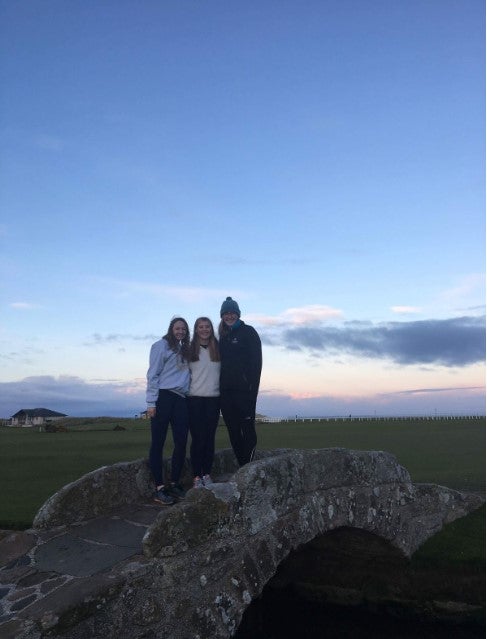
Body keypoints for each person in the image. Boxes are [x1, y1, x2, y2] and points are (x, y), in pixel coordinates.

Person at [146, 316, 191, 505]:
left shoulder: (183, 349)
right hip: (163, 397)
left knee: (181, 441)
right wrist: (151, 403)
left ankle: (174, 482)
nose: (180, 331)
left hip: (181, 399)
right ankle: (159, 488)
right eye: (177, 328)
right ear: (171, 329)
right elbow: (153, 374)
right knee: (158, 442)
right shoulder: (161, 346)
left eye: (183, 329)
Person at [218, 297, 262, 466]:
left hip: (245, 393)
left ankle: (247, 467)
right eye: (226, 313)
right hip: (225, 394)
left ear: (237, 314)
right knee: (233, 431)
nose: (229, 316)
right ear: (222, 316)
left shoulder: (249, 332)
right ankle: (242, 466)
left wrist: (253, 393)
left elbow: (257, 365)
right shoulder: (222, 337)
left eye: (232, 313)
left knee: (247, 429)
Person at [188, 317, 221, 488]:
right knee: (198, 438)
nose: (204, 329)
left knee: (209, 438)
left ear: (211, 329)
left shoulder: (218, 348)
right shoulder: (189, 350)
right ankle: (196, 476)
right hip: (194, 399)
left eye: (207, 326)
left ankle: (207, 473)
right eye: (201, 327)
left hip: (214, 399)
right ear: (196, 329)